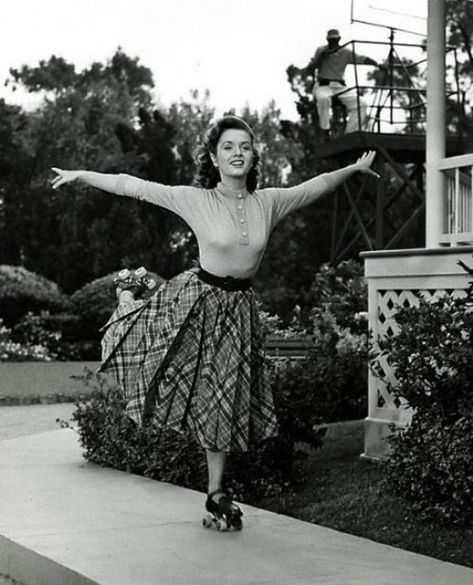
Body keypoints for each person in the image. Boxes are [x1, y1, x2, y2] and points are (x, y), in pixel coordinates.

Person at [51, 115, 378, 530]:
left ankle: (216, 491)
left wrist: (352, 169)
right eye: (228, 147)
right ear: (214, 157)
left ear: (254, 154)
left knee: (222, 398)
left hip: (238, 310)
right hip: (196, 302)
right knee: (152, 356)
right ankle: (128, 295)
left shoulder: (269, 201)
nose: (237, 153)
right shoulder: (196, 199)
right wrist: (82, 175)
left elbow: (314, 187)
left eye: (244, 146)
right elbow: (132, 185)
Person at [306, 28, 378, 137]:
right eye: (331, 40)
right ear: (327, 40)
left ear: (339, 39)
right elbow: (310, 69)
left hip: (340, 86)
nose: (333, 43)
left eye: (335, 40)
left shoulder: (345, 52)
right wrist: (321, 57)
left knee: (361, 104)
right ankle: (325, 131)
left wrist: (377, 64)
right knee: (323, 99)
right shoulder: (321, 50)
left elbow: (361, 59)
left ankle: (350, 134)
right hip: (323, 85)